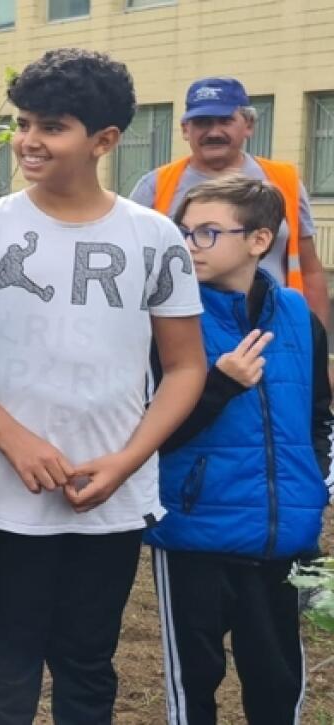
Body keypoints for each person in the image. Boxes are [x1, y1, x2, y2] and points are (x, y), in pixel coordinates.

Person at [0, 48, 208, 723]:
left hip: (111, 498)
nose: (29, 140)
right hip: (8, 494)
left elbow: (186, 367)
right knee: (7, 667)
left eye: (52, 127)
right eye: (23, 123)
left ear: (103, 141)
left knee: (88, 664)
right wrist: (11, 437)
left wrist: (125, 461)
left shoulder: (155, 237)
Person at [146, 176, 333, 725]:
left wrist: (313, 486)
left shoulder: (299, 316)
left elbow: (319, 417)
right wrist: (219, 387)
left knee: (277, 680)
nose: (190, 245)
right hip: (194, 532)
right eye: (184, 232)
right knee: (194, 683)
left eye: (207, 232)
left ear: (259, 240)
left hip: (283, 538)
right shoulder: (168, 320)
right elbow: (149, 434)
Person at [129, 76, 329, 326]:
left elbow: (310, 270)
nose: (214, 132)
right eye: (202, 122)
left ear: (249, 125)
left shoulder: (284, 181)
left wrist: (316, 338)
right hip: (186, 331)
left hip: (277, 327)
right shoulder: (155, 186)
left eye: (225, 121)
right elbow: (132, 270)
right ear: (185, 130)